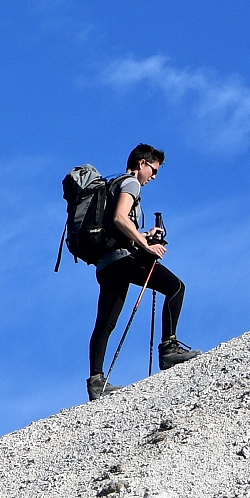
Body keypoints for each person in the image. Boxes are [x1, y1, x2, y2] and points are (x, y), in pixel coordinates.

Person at [87, 144, 202, 401]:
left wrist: (144, 235)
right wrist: (147, 246)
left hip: (105, 264)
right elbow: (119, 218)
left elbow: (118, 226)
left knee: (105, 322)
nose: (154, 176)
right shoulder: (131, 184)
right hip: (124, 260)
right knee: (176, 288)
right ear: (142, 163)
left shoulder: (113, 183)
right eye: (153, 169)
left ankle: (96, 381)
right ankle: (168, 347)